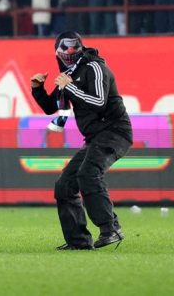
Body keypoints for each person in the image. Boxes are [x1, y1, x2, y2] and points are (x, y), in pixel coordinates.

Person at [30, 31, 132, 250]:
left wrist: (70, 86)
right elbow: (51, 107)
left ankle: (111, 229)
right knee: (64, 186)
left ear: (79, 48)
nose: (68, 55)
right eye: (64, 51)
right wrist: (37, 88)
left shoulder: (95, 67)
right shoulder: (70, 73)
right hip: (95, 138)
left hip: (115, 132)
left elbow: (98, 102)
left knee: (88, 174)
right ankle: (79, 242)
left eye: (72, 50)